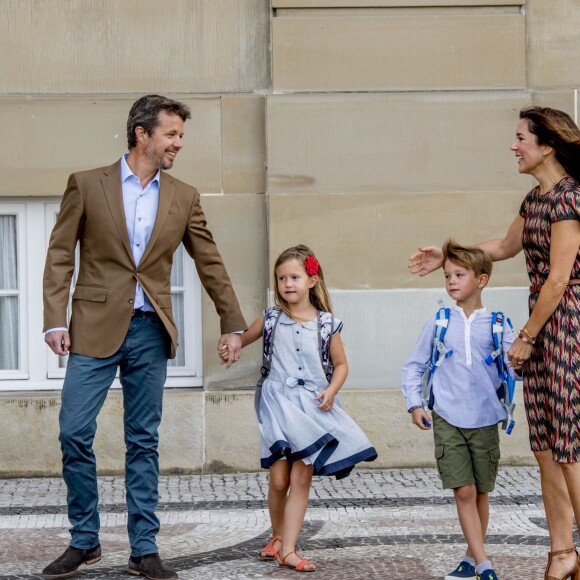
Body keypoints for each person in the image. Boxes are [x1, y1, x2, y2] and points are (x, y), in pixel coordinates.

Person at [42, 95, 247, 579]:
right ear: (142, 134)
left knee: (143, 441)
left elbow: (209, 262)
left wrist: (232, 322)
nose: (178, 143)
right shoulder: (87, 184)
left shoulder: (184, 195)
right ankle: (84, 540)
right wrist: (55, 318)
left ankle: (144, 548)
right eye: (172, 134)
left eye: (180, 136)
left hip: (150, 332)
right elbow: (59, 255)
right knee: (74, 432)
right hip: (92, 328)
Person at [408, 106, 580, 580]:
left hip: (564, 326)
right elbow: (502, 248)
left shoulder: (568, 199)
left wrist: (526, 336)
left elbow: (560, 279)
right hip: (544, 327)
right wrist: (448, 254)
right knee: (545, 446)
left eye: (521, 137)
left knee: (569, 447)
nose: (514, 145)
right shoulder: (535, 201)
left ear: (547, 145)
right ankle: (561, 553)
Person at [220, 244, 377, 572]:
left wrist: (332, 390)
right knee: (279, 480)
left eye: (294, 277)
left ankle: (288, 549)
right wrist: (232, 344)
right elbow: (243, 338)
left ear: (311, 280)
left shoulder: (327, 324)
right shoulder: (271, 318)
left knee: (300, 478)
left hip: (311, 410)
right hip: (277, 406)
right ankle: (277, 536)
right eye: (281, 278)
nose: (287, 284)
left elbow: (341, 365)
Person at [402, 239, 518, 580]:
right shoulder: (440, 321)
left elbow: (515, 368)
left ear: (481, 280)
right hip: (447, 417)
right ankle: (484, 564)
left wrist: (525, 360)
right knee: (463, 490)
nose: (451, 281)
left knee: (481, 492)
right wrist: (414, 404)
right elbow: (413, 365)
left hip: (485, 418)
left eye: (459, 274)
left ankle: (471, 556)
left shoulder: (497, 324)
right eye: (448, 275)